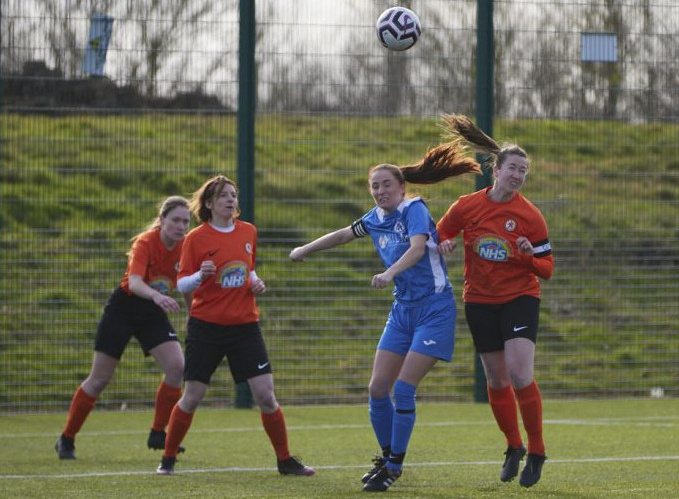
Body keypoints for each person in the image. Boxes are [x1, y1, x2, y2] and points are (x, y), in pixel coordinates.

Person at [289, 142, 481, 492]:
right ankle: (388, 456)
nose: (379, 191)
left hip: (434, 309)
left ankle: (394, 466)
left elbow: (418, 247)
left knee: (404, 388)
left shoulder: (414, 209)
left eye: (386, 185)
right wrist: (306, 249)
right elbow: (345, 234)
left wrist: (389, 273)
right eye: (374, 186)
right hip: (402, 311)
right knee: (378, 389)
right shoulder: (374, 219)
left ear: (402, 187)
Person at [156, 174, 314, 477]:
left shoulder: (248, 231)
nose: (231, 200)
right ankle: (168, 456)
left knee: (266, 396)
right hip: (206, 328)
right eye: (224, 195)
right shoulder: (196, 238)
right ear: (211, 203)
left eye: (234, 195)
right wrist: (201, 276)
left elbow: (248, 270)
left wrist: (257, 283)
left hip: (245, 326)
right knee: (192, 396)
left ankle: (285, 460)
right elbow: (182, 282)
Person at [436, 114, 554, 488]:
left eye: (524, 171)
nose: (518, 175)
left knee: (520, 374)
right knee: (496, 377)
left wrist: (524, 256)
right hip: (480, 300)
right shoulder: (467, 206)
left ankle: (536, 450)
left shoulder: (530, 216)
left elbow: (547, 268)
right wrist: (444, 244)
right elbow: (440, 234)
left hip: (519, 297)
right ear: (496, 170)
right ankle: (513, 446)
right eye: (513, 168)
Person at [55, 196, 191, 460]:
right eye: (175, 220)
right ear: (162, 220)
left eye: (185, 221)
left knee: (177, 367)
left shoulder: (186, 246)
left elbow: (186, 283)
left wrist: (191, 313)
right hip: (124, 308)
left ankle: (158, 432)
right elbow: (137, 282)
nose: (181, 226)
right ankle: (66, 438)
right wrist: (156, 296)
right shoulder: (145, 242)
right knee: (100, 379)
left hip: (152, 313)